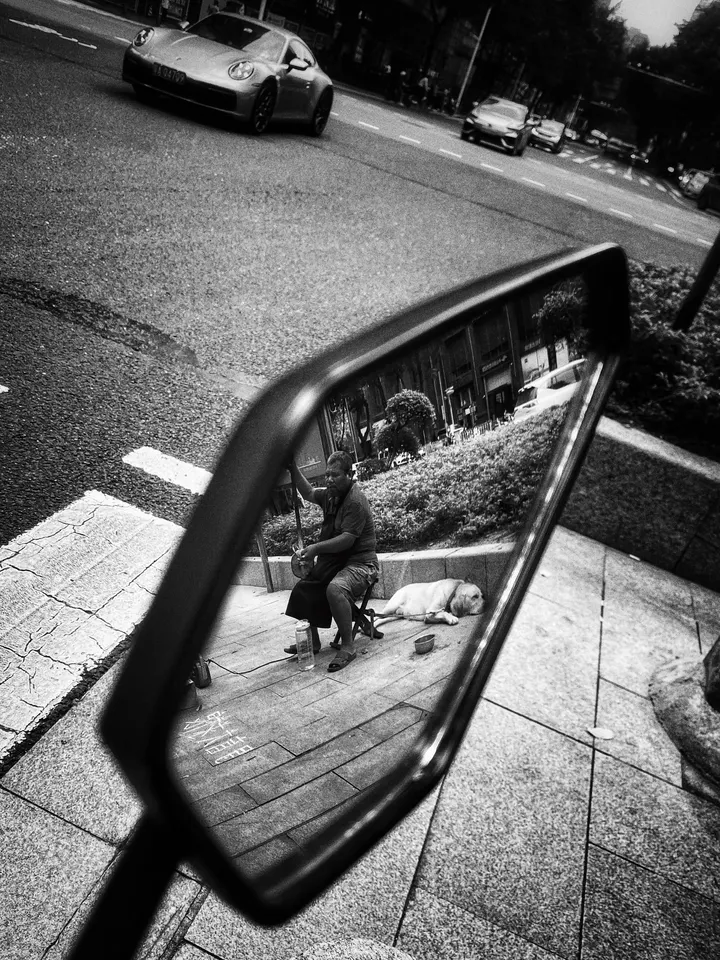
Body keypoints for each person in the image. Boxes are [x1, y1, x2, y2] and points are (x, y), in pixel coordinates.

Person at [283, 451, 379, 672]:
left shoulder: (355, 501)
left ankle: (348, 647)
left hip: (361, 564)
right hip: (337, 562)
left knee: (335, 589)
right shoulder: (330, 495)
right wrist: (293, 468)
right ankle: (313, 643)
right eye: (327, 475)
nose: (329, 480)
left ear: (349, 475)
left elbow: (347, 540)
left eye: (335, 475)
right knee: (304, 587)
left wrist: (315, 549)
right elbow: (308, 492)